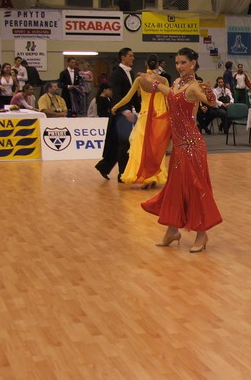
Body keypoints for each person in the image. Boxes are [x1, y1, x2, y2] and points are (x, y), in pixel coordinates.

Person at [139, 47, 222, 253]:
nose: (179, 66)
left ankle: (201, 234)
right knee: (175, 188)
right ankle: (172, 231)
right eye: (177, 63)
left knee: (196, 189)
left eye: (183, 62)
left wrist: (209, 91)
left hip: (192, 146)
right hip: (179, 146)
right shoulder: (177, 83)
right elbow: (171, 94)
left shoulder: (194, 87)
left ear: (193, 63)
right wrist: (154, 83)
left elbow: (211, 102)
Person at [111, 54, 169, 189]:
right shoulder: (163, 80)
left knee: (141, 147)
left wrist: (115, 106)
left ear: (145, 63)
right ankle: (153, 176)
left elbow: (127, 98)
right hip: (159, 117)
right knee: (156, 148)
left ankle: (145, 176)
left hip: (145, 117)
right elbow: (169, 99)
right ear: (157, 64)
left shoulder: (139, 79)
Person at [95, 48, 140, 182]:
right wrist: (125, 111)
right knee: (124, 143)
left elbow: (132, 95)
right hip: (120, 113)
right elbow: (117, 96)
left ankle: (104, 167)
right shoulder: (116, 74)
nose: (133, 58)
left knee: (118, 143)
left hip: (126, 112)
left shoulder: (130, 73)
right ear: (123, 57)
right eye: (130, 56)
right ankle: (122, 174)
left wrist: (140, 109)